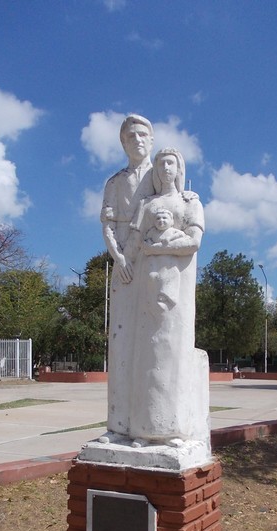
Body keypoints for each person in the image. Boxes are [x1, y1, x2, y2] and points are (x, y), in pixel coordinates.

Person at [129, 148, 208, 448]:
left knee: (172, 355)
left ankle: (173, 428)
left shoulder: (190, 202)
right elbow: (135, 243)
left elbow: (193, 242)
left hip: (177, 290)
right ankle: (144, 429)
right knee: (146, 355)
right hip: (146, 286)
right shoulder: (146, 204)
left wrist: (156, 248)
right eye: (160, 164)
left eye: (170, 163)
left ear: (179, 169)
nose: (165, 169)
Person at [98, 115, 155, 442]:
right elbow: (106, 224)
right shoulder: (115, 182)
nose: (137, 140)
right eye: (130, 135)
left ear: (151, 139)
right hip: (123, 267)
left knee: (149, 345)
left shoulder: (159, 177)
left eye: (143, 134)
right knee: (120, 346)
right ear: (123, 143)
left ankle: (148, 427)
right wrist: (118, 259)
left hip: (150, 261)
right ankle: (118, 426)